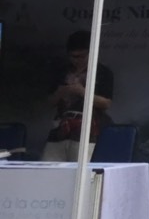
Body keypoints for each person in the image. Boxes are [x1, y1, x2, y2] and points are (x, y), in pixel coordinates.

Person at [43, 30, 114, 161]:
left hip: (88, 134)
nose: (77, 60)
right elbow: (49, 102)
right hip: (59, 132)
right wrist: (61, 92)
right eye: (73, 56)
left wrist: (82, 92)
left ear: (91, 52)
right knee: (49, 166)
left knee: (81, 169)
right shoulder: (61, 71)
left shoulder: (102, 72)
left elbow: (106, 103)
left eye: (81, 56)